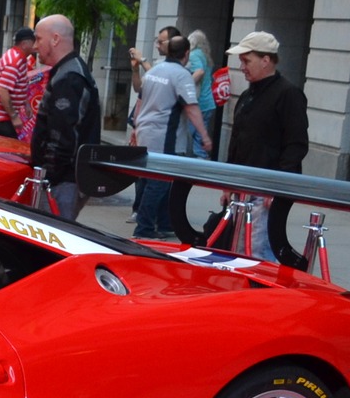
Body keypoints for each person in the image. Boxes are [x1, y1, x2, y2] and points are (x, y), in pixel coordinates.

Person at [225, 30, 308, 263]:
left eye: (246, 60)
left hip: (265, 188)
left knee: (257, 252)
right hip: (243, 184)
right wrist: (226, 182)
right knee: (240, 250)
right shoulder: (247, 95)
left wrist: (278, 186)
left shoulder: (288, 94)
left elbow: (296, 144)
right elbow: (237, 139)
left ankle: (259, 295)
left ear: (265, 60)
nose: (242, 67)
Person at [127, 35, 212, 240]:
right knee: (160, 181)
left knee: (153, 180)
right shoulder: (181, 75)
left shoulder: (155, 70)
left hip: (146, 131)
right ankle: (144, 228)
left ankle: (164, 224)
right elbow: (191, 107)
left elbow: (140, 97)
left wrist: (136, 128)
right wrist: (205, 136)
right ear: (186, 53)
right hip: (164, 134)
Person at [29, 14, 101, 222]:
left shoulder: (70, 77)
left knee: (52, 234)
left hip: (62, 182)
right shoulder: (68, 71)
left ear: (55, 39)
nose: (35, 46)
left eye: (38, 39)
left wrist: (48, 177)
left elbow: (63, 136)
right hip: (63, 179)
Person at [0, 27, 36, 138]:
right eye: (34, 41)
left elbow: (18, 85)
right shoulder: (14, 62)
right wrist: (14, 117)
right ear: (24, 44)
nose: (37, 45)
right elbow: (2, 91)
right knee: (8, 149)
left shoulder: (19, 58)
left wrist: (26, 103)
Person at [186, 29, 218, 158]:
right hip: (208, 102)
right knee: (200, 137)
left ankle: (196, 168)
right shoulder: (206, 56)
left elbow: (199, 72)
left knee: (193, 137)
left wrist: (184, 85)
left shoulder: (194, 55)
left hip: (199, 103)